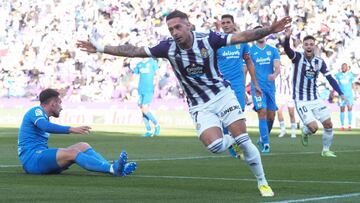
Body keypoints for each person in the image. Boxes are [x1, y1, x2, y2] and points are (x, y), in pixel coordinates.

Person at [77, 10, 292, 197]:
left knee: (244, 139)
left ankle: (262, 182)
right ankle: (230, 141)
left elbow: (242, 36)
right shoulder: (167, 48)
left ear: (188, 25)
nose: (174, 32)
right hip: (199, 105)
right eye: (171, 29)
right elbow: (133, 51)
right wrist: (100, 47)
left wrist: (269, 29)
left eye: (178, 27)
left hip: (222, 95)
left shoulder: (209, 39)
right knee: (216, 146)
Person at [18, 88, 137, 175]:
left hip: (40, 157)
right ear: (53, 103)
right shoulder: (36, 110)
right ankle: (112, 169)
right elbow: (45, 126)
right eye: (59, 103)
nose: (61, 107)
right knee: (73, 153)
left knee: (83, 146)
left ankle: (113, 168)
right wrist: (71, 129)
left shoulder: (43, 115)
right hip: (33, 159)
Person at [283, 28, 346, 157]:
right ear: (303, 46)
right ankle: (305, 131)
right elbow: (288, 50)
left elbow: (330, 78)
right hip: (301, 100)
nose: (309, 46)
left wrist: (340, 92)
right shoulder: (298, 57)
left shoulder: (319, 62)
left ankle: (326, 150)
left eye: (311, 44)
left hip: (315, 98)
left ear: (315, 46)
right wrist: (287, 38)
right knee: (314, 128)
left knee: (328, 124)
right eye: (306, 44)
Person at [217, 14, 262, 159]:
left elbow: (249, 63)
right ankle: (232, 144)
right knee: (225, 114)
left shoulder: (241, 41)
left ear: (233, 23)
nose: (225, 25)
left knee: (239, 114)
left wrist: (255, 84)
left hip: (237, 84)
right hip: (222, 84)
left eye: (228, 22)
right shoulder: (216, 42)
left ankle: (234, 140)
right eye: (223, 23)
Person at [249, 26, 281, 153]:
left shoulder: (273, 50)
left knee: (271, 116)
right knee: (262, 112)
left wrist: (275, 74)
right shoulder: (250, 51)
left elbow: (277, 67)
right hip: (257, 87)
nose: (261, 35)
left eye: (263, 33)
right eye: (258, 33)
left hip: (270, 87)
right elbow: (247, 69)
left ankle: (262, 138)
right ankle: (266, 144)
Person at [132, 58, 161, 137]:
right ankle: (148, 130)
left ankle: (157, 125)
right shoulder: (139, 64)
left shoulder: (152, 62)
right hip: (140, 89)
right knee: (143, 110)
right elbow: (134, 76)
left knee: (145, 109)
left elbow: (157, 74)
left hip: (149, 89)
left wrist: (157, 85)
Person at [276, 60, 297, 138]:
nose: (283, 59)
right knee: (279, 111)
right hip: (280, 93)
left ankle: (293, 132)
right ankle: (283, 130)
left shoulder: (293, 67)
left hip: (290, 93)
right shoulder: (278, 67)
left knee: (291, 113)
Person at [335, 63, 355, 131]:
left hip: (349, 95)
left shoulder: (350, 75)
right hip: (341, 95)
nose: (343, 68)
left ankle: (349, 125)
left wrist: (355, 94)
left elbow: (353, 84)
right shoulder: (338, 75)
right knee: (342, 109)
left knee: (349, 108)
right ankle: (342, 126)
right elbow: (336, 84)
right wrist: (335, 92)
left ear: (347, 68)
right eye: (342, 66)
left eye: (344, 67)